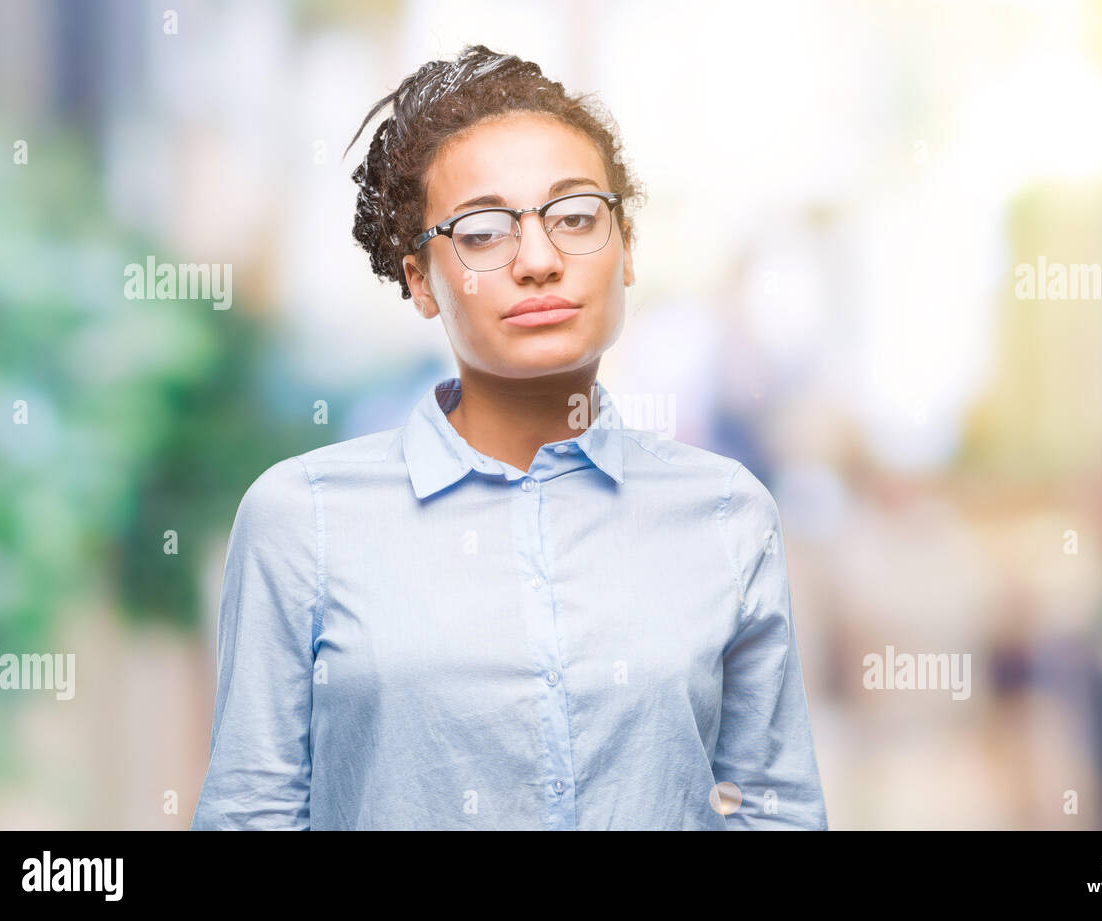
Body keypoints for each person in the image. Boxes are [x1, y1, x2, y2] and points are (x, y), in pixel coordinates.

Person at [189, 43, 827, 830]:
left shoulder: (728, 512)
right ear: (420, 278)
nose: (539, 259)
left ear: (626, 248)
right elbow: (251, 813)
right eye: (484, 231)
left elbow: (774, 809)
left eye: (576, 216)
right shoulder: (304, 518)